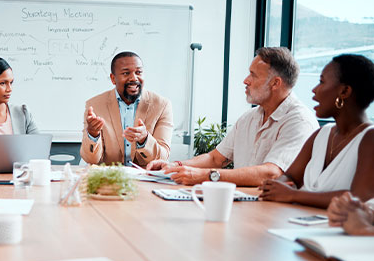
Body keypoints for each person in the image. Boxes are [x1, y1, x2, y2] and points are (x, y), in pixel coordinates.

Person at [147, 47, 318, 186]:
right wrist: (175, 166)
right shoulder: (249, 118)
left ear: (275, 83)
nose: (246, 80)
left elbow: (271, 173)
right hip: (245, 203)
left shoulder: (299, 122)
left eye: (253, 75)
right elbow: (215, 158)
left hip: (276, 214)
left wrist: (207, 176)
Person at [260, 54, 374, 208]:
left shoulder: (369, 138)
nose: (314, 90)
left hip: (340, 229)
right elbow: (290, 177)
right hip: (298, 223)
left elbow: (359, 198)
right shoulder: (321, 134)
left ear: (344, 91)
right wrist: (275, 186)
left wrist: (292, 194)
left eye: (321, 82)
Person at [80, 51, 173, 167]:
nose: (134, 78)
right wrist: (93, 134)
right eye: (126, 73)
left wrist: (144, 139)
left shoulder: (162, 105)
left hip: (147, 178)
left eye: (138, 72)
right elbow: (91, 160)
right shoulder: (95, 105)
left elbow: (163, 157)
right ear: (113, 79)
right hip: (110, 178)